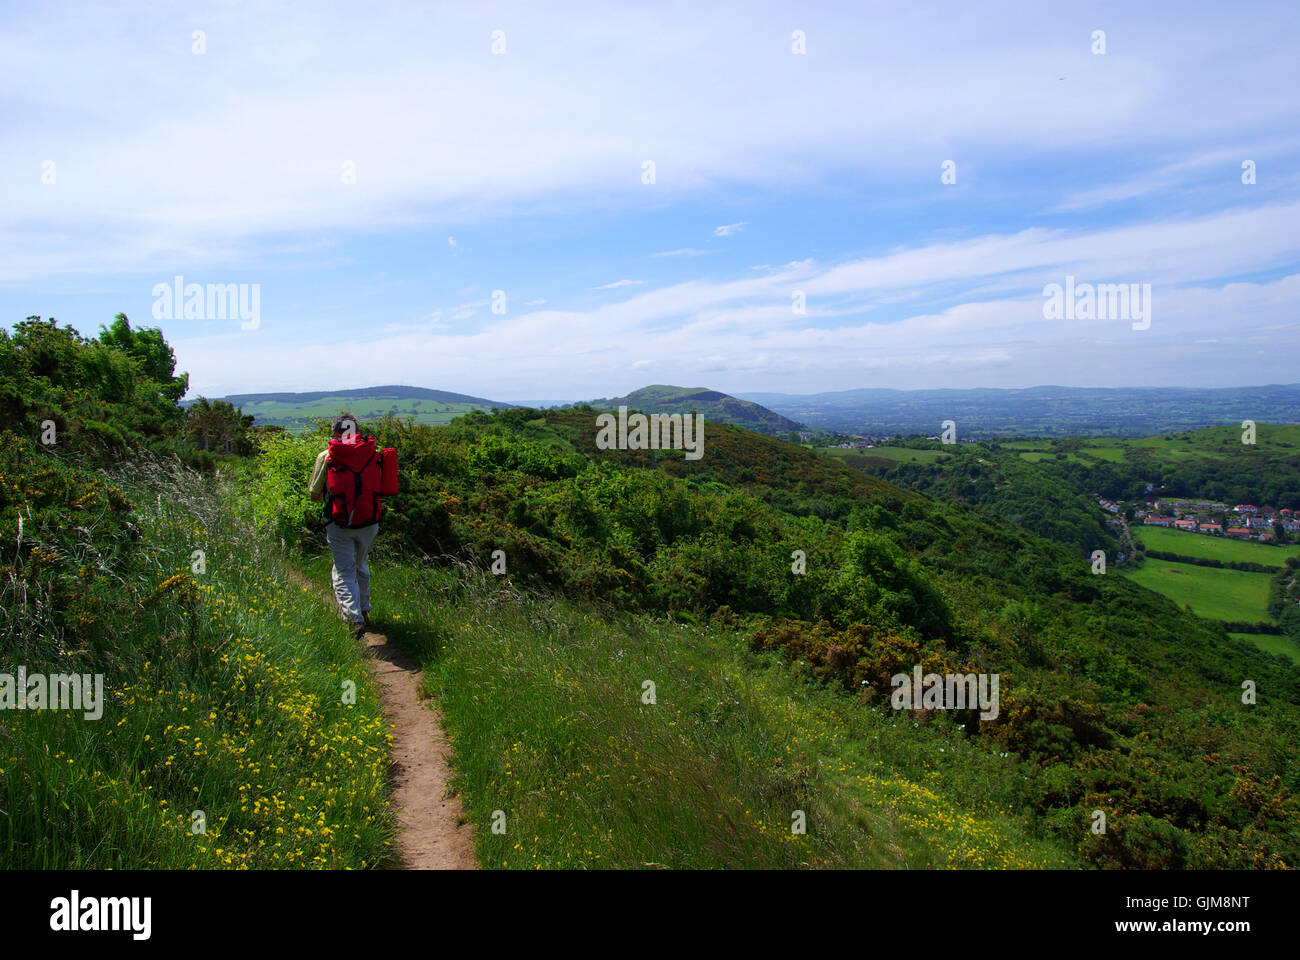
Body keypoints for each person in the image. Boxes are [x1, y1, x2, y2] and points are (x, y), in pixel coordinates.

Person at [309, 412, 381, 638]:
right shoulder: (373, 454)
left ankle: (353, 618)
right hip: (369, 522)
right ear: (357, 430)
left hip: (339, 523)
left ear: (334, 431)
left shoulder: (327, 456)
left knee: (343, 570)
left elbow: (314, 494)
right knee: (360, 564)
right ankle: (365, 609)